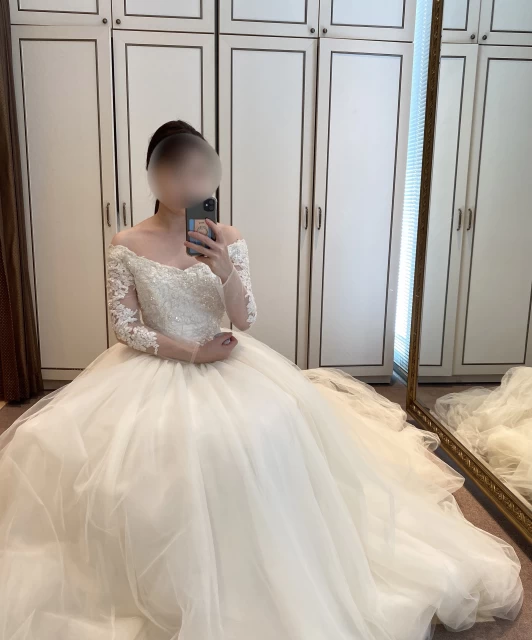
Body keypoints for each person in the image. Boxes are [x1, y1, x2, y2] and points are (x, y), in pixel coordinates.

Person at [0, 121, 523, 640]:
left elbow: (245, 318)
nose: (189, 182)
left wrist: (224, 268)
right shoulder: (127, 242)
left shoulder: (227, 238)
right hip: (158, 365)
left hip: (230, 360)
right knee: (134, 454)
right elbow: (127, 327)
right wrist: (190, 352)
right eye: (175, 170)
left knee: (265, 440)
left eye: (199, 170)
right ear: (153, 175)